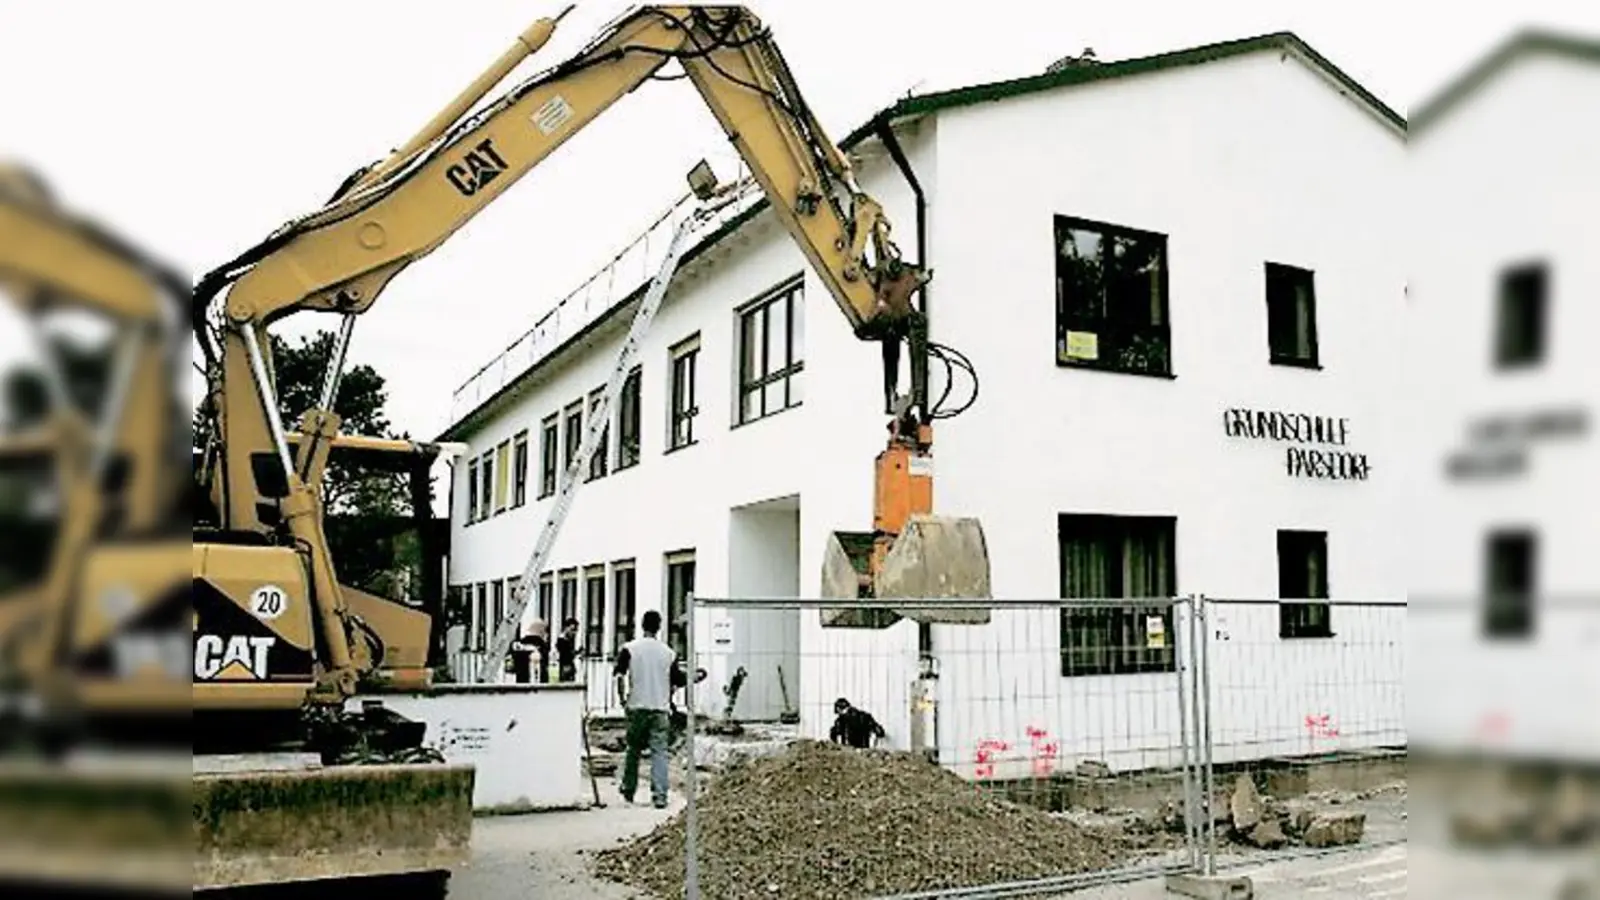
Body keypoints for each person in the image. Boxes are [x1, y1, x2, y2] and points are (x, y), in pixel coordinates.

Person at [612, 609, 686, 808]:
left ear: (642, 625)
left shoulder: (630, 648)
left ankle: (628, 790)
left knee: (633, 749)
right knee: (659, 752)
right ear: (659, 627)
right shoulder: (668, 653)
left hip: (637, 706)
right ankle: (660, 795)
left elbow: (619, 675)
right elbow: (678, 680)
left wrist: (622, 701)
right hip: (660, 708)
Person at [555, 617, 579, 683]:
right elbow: (565, 654)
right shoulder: (562, 640)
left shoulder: (567, 640)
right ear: (566, 628)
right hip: (565, 667)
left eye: (575, 630)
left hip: (567, 667)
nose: (574, 633)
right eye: (572, 629)